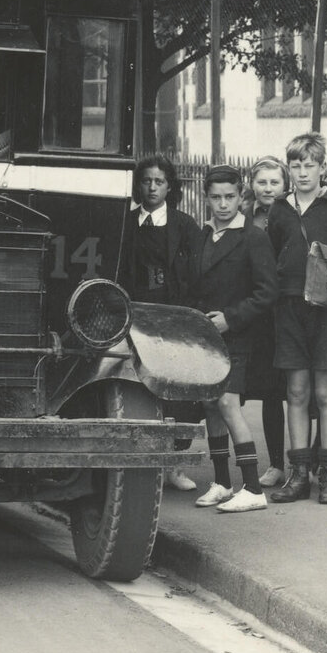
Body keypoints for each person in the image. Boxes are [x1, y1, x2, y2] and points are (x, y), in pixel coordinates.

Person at [265, 132, 327, 505]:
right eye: (296, 165)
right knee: (295, 392)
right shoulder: (279, 208)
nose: (303, 172)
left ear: (323, 168)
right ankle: (298, 474)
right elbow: (273, 254)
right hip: (289, 309)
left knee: (326, 393)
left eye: (310, 165)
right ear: (288, 169)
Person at [185, 165, 278, 513]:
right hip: (206, 335)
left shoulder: (253, 237)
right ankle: (223, 483)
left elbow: (267, 292)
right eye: (216, 198)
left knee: (227, 403)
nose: (223, 204)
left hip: (239, 335)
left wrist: (231, 318)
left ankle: (253, 488)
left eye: (229, 197)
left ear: (241, 196)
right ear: (206, 198)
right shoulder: (203, 234)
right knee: (211, 404)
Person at [120, 154, 205, 492]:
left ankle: (175, 465)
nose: (152, 187)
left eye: (159, 181)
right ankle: (142, 465)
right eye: (146, 181)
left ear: (170, 187)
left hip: (173, 318)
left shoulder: (185, 226)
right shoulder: (126, 223)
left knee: (176, 390)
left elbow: (197, 275)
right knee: (139, 387)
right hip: (135, 316)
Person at [242, 157, 290, 486]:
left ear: (285, 185)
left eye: (275, 182)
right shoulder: (245, 217)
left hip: (288, 308)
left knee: (300, 392)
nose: (268, 188)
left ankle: (306, 462)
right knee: (268, 391)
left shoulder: (293, 214)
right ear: (252, 185)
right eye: (262, 182)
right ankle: (274, 465)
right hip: (257, 313)